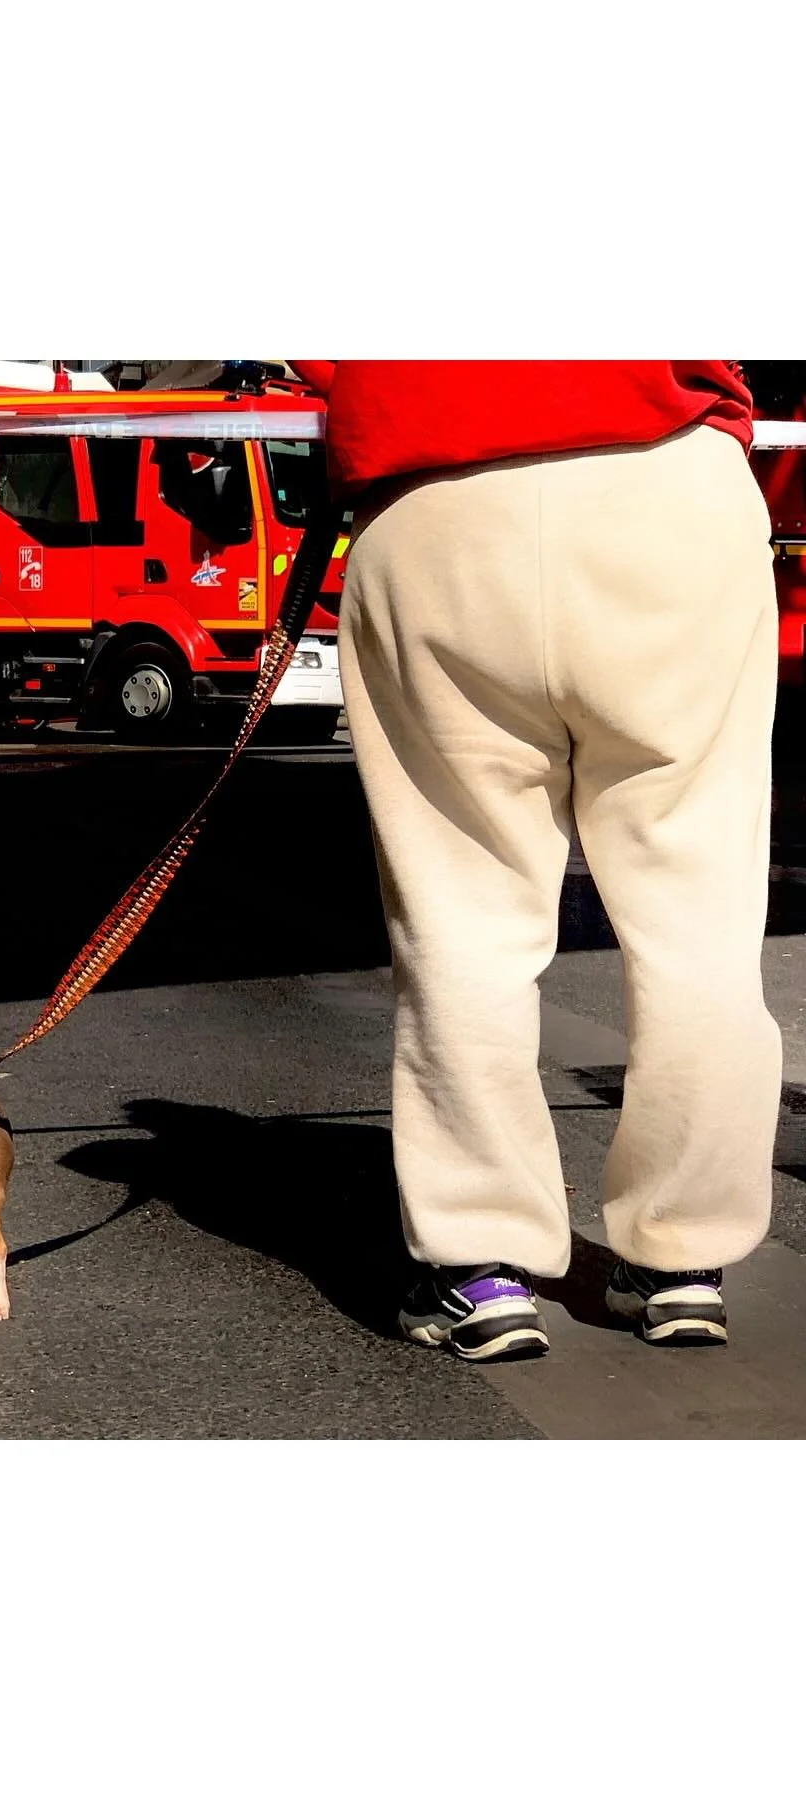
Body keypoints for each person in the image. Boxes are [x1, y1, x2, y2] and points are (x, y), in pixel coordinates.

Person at [291, 360, 779, 1360]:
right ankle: (683, 1260)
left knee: (462, 908)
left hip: (437, 499)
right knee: (698, 907)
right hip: (666, 483)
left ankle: (483, 1264)